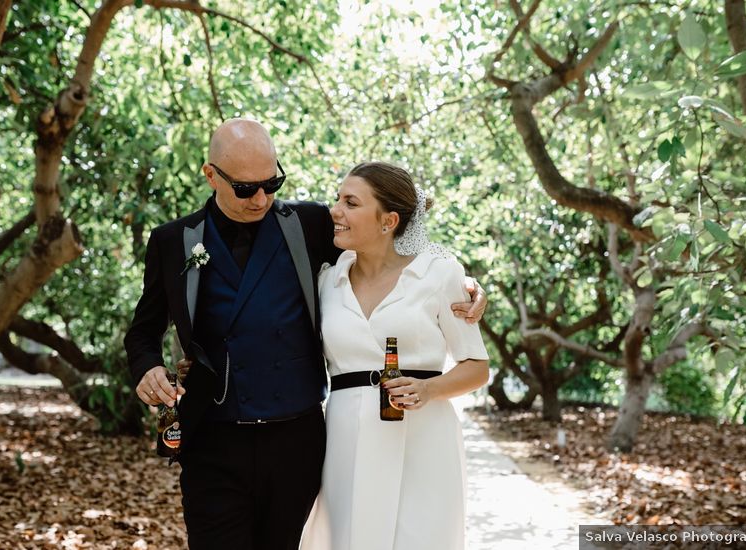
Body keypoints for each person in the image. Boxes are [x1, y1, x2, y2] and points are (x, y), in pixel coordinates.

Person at [124, 119, 487, 550]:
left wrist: (472, 286)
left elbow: (397, 250)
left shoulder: (311, 224)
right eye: (245, 188)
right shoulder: (172, 241)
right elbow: (143, 331)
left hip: (296, 439)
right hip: (213, 438)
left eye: (272, 182)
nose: (261, 198)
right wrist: (148, 368)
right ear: (211, 175)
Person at [300, 162, 491, 550]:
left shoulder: (439, 274)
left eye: (350, 202)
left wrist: (430, 389)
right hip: (345, 438)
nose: (335, 210)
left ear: (388, 221)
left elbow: (477, 367)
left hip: (423, 438)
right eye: (337, 199)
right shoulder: (326, 281)